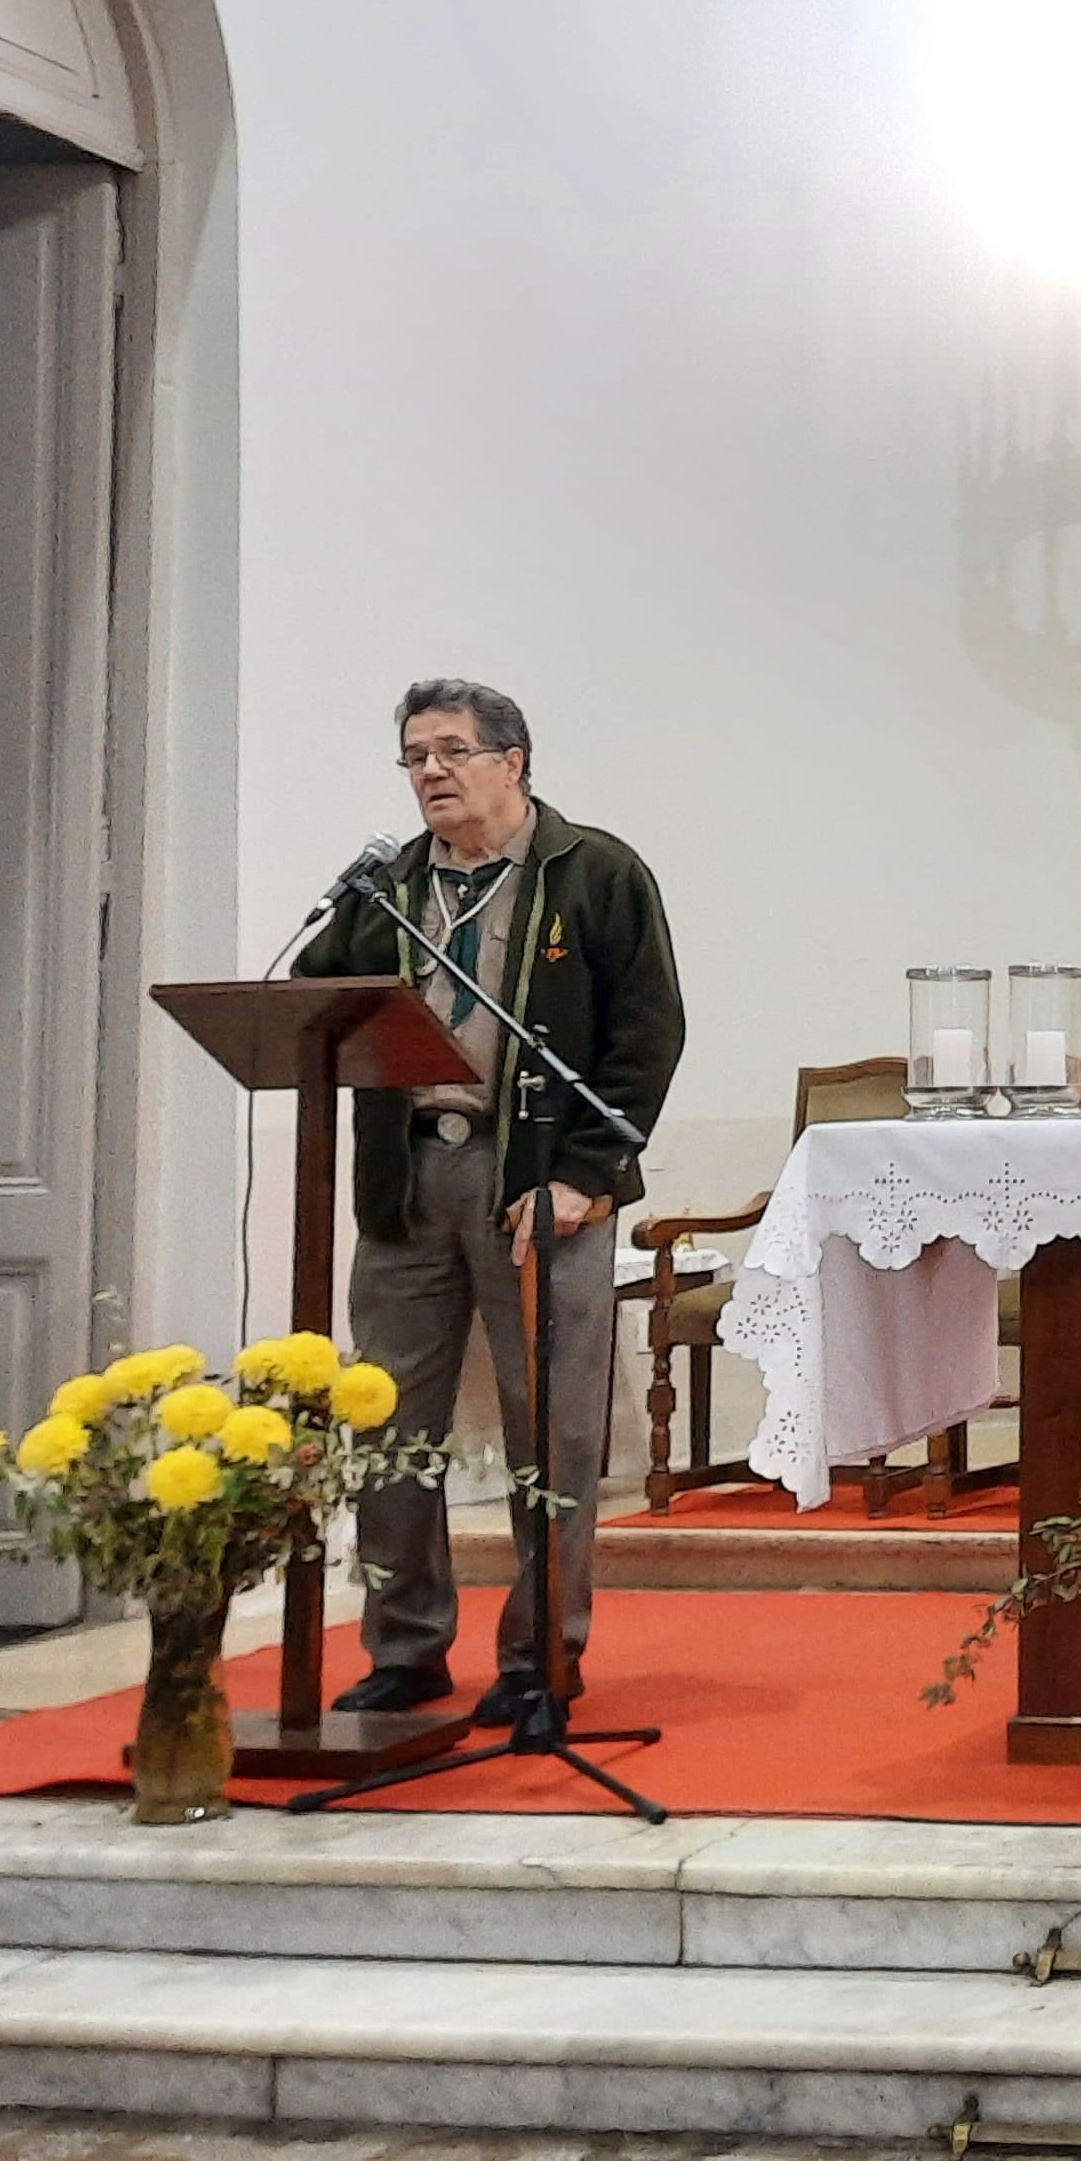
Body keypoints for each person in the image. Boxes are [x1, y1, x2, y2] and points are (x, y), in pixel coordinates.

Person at [300, 679, 684, 1728]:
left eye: (452, 751)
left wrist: (587, 1175)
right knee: (387, 1425)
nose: (431, 772)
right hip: (407, 1184)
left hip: (541, 1188)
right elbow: (306, 1004)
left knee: (549, 1433)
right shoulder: (386, 888)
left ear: (513, 761)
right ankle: (406, 1646)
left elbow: (647, 1037)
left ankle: (538, 1662)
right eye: (415, 756)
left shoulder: (592, 872)